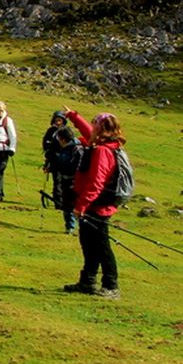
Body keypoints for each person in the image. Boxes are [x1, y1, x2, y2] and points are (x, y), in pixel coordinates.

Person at [61, 108, 124, 299]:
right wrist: (73, 116)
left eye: (95, 123)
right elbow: (87, 131)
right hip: (93, 205)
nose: (92, 126)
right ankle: (87, 281)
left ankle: (111, 286)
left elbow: (97, 182)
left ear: (102, 128)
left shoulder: (103, 151)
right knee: (88, 243)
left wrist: (81, 205)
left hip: (97, 207)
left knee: (101, 246)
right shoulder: (105, 143)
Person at [40, 111, 79, 234]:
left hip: (74, 180)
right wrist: (49, 162)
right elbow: (48, 148)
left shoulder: (77, 149)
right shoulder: (51, 132)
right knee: (65, 198)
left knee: (72, 203)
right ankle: (69, 225)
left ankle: (73, 225)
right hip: (64, 176)